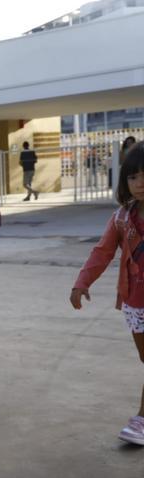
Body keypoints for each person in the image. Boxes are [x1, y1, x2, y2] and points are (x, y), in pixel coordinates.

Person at [71, 142, 144, 446]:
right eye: (132, 177)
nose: (139, 183)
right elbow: (102, 252)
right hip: (136, 302)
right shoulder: (122, 217)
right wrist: (81, 283)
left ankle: (142, 418)